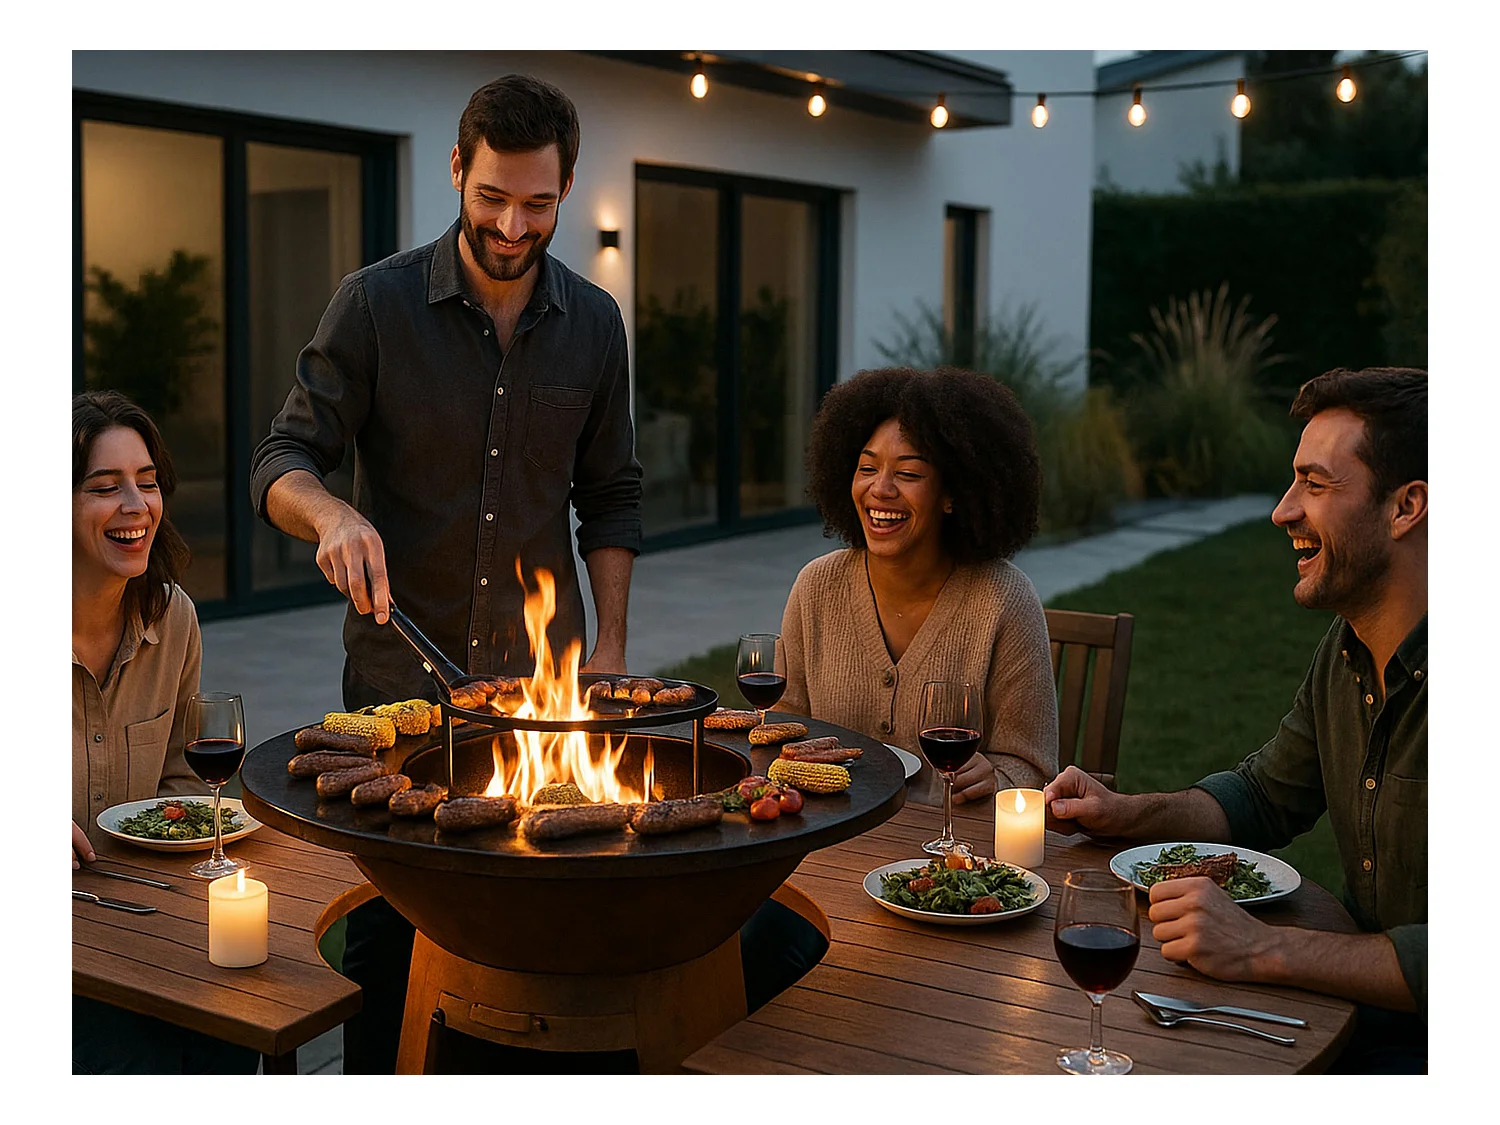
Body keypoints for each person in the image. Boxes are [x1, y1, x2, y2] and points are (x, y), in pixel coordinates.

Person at [248, 74, 645, 1074]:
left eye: (538, 203)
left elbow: (612, 497)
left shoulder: (595, 324)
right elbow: (281, 460)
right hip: (400, 698)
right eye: (493, 197)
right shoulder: (374, 305)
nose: (513, 226)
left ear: (567, 188)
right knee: (390, 946)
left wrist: (609, 645)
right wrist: (331, 513)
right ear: (458, 168)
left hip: (540, 700)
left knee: (537, 946)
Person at [1043, 366, 1427, 1074]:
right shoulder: (1345, 651)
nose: (1283, 511)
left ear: (1406, 507)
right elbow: (1263, 795)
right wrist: (1127, 813)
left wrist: (1261, 947)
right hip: (1353, 1016)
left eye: (1315, 485)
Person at [71, 390, 258, 1074]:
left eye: (147, 482)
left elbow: (183, 780)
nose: (135, 505)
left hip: (140, 916)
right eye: (104, 486)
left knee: (235, 1031)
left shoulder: (172, 616)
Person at [780, 366, 1060, 809]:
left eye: (908, 474)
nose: (880, 489)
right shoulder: (816, 587)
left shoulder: (1003, 600)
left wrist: (995, 778)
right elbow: (783, 729)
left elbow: (1033, 769)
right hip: (832, 833)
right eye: (867, 468)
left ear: (953, 493)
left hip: (951, 842)